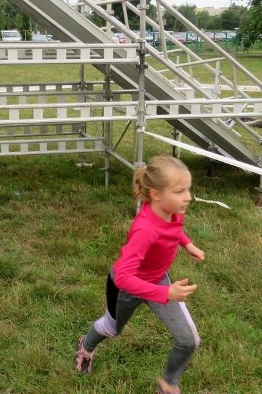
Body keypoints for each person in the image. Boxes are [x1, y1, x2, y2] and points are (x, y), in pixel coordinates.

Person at [74, 155, 205, 394]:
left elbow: (174, 230)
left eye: (188, 189)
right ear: (156, 194)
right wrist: (165, 292)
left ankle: (168, 385)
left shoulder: (172, 210)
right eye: (180, 191)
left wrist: (188, 244)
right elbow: (124, 277)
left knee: (189, 341)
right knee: (112, 329)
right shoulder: (145, 229)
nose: (188, 197)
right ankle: (86, 345)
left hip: (158, 281)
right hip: (125, 288)